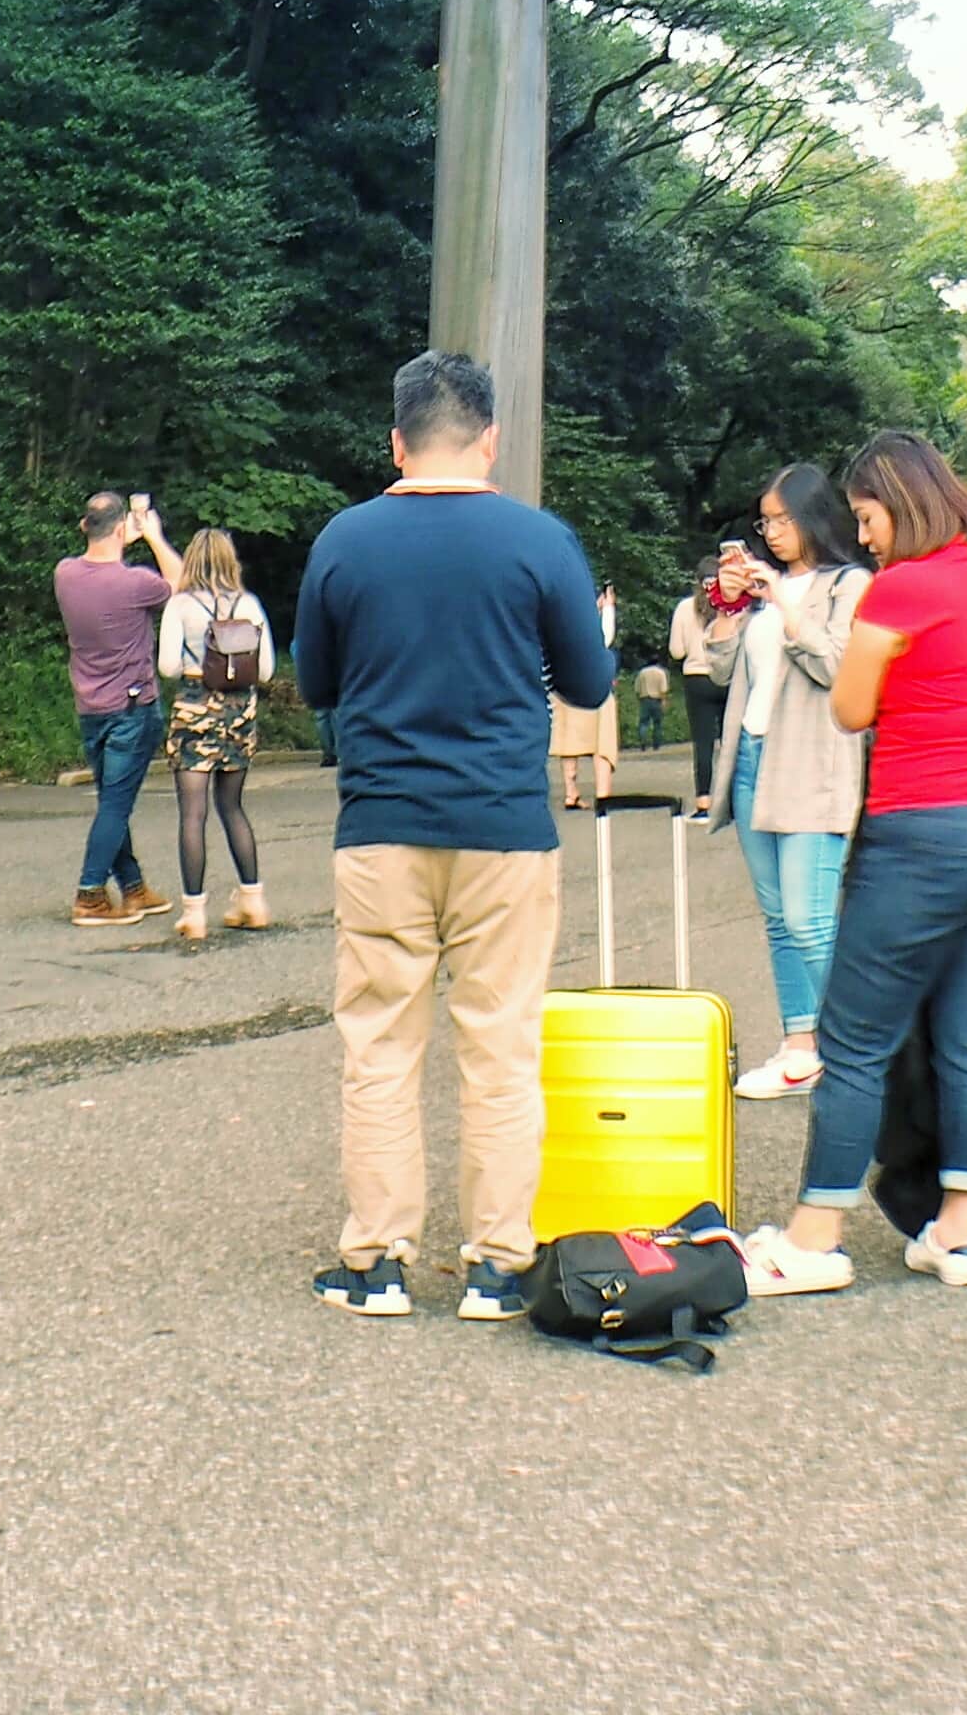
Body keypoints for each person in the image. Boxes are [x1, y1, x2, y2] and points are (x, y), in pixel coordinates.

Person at [290, 351, 613, 1324]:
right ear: (491, 438)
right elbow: (592, 687)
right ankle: (497, 1268)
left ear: (395, 441)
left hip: (382, 825)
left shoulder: (345, 542)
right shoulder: (539, 540)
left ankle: (380, 1262)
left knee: (381, 1047)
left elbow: (317, 688)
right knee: (501, 1050)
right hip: (505, 831)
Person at [740, 433, 967, 1300]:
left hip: (926, 834)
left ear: (901, 505)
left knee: (854, 1041)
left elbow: (848, 707)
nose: (867, 536)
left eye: (871, 517)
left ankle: (813, 1240)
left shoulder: (905, 587)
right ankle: (957, 1236)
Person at [715, 461, 869, 1099]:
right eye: (765, 521)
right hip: (752, 760)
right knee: (779, 919)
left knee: (810, 920)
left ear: (813, 516)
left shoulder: (850, 583)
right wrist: (728, 605)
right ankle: (799, 1048)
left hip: (813, 765)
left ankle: (861, 1048)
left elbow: (839, 667)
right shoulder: (769, 593)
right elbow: (720, 667)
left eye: (781, 519)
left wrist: (780, 599)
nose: (770, 532)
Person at [153, 524, 276, 945]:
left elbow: (168, 666)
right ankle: (253, 900)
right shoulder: (250, 604)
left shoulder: (180, 605)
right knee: (232, 807)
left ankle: (194, 913)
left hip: (195, 708)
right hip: (240, 711)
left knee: (193, 814)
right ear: (230, 560)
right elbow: (265, 670)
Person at [55, 492, 174, 928]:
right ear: (123, 529)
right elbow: (179, 586)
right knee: (116, 805)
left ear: (85, 526)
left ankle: (133, 886)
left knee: (111, 801)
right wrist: (156, 539)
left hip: (90, 706)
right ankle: (89, 893)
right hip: (132, 706)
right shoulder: (135, 582)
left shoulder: (64, 574)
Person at [671, 556, 746, 819]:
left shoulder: (684, 608)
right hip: (727, 677)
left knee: (702, 744)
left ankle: (703, 802)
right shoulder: (734, 607)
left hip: (696, 678)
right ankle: (734, 802)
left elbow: (677, 650)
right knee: (731, 742)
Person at [555, 575, 623, 813]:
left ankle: (571, 792)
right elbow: (605, 638)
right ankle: (603, 794)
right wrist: (609, 609)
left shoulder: (560, 616)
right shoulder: (589, 620)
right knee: (602, 740)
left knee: (568, 741)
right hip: (595, 685)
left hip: (563, 686)